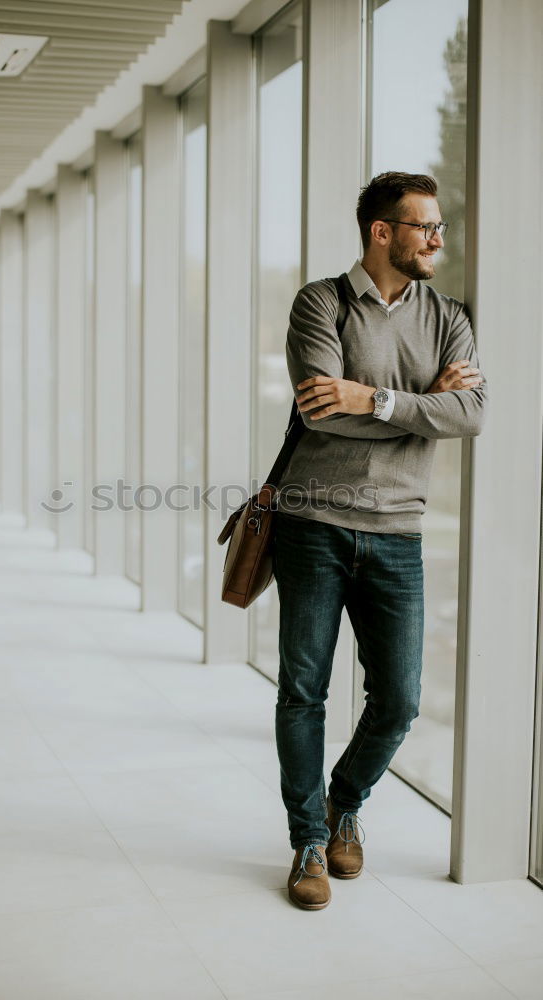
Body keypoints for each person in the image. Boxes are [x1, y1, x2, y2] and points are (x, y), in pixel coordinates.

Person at [273, 171, 487, 911]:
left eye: (440, 229)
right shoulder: (321, 302)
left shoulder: (450, 316)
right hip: (314, 523)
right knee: (303, 691)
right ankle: (307, 839)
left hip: (398, 531)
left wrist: (375, 396)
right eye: (425, 226)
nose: (437, 238)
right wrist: (427, 401)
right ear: (381, 232)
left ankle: (344, 801)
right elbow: (322, 411)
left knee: (397, 699)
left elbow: (473, 413)